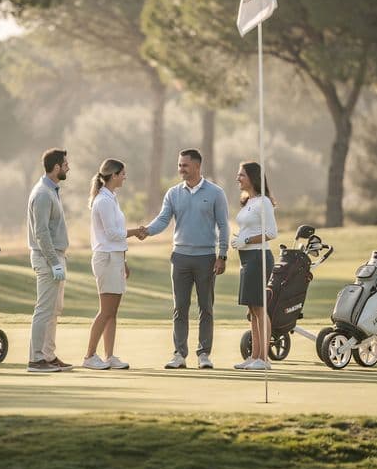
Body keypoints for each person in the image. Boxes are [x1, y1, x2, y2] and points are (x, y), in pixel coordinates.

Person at [140, 149, 229, 369]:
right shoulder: (173, 193)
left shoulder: (216, 193)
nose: (181, 169)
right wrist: (147, 231)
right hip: (180, 257)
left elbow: (223, 225)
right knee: (180, 307)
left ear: (197, 166)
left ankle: (204, 354)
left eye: (185, 165)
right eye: (179, 165)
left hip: (206, 258)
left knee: (206, 307)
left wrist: (222, 255)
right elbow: (163, 220)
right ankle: (179, 354)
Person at [83, 159, 144, 370]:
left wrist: (123, 260)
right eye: (123, 174)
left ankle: (109, 356)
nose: (125, 177)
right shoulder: (103, 201)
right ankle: (89, 356)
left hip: (114, 257)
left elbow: (115, 236)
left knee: (112, 311)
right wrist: (135, 232)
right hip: (106, 258)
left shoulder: (111, 198)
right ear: (114, 175)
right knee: (106, 311)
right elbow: (112, 234)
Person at [27, 148, 72, 373]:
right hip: (47, 259)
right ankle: (36, 359)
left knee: (54, 310)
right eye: (65, 165)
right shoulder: (43, 193)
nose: (68, 168)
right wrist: (54, 262)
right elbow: (41, 233)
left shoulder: (51, 190)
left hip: (55, 257)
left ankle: (48, 355)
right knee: (44, 310)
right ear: (56, 168)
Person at [231, 161, 278, 370]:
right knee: (252, 308)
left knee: (259, 307)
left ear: (252, 177)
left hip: (259, 257)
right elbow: (249, 229)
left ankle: (264, 359)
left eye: (241, 175)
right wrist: (239, 239)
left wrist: (247, 240)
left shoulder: (264, 202)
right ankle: (254, 356)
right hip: (247, 258)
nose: (238, 178)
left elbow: (271, 233)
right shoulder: (248, 201)